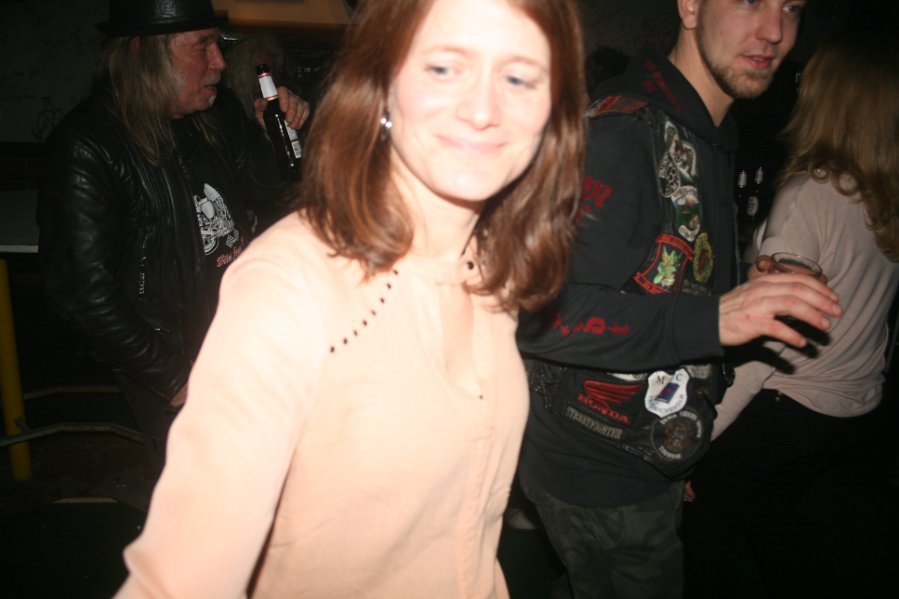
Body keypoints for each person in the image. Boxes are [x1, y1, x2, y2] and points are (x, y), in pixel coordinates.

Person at [115, 0, 586, 596]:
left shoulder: (491, 264)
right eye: (445, 67)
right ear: (383, 86)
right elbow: (180, 577)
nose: (483, 108)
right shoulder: (292, 285)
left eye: (519, 76)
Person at [515, 0, 841, 597]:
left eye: (792, 7)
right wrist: (716, 316)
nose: (774, 31)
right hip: (599, 472)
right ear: (690, 4)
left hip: (646, 450)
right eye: (750, 1)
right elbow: (540, 317)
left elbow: (650, 270)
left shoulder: (703, 127)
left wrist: (735, 288)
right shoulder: (623, 135)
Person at [37, 0, 309, 473]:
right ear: (145, 52)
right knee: (211, 492)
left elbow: (259, 189)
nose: (219, 62)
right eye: (201, 46)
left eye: (217, 44)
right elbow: (82, 295)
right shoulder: (87, 146)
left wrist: (273, 138)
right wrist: (176, 377)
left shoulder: (212, 114)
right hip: (173, 354)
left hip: (237, 333)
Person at [683, 32, 899, 599]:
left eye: (809, 83)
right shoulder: (884, 194)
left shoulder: (811, 195)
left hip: (789, 409)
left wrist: (702, 436)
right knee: (768, 513)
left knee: (707, 526)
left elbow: (772, 336)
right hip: (852, 409)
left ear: (832, 100)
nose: (798, 89)